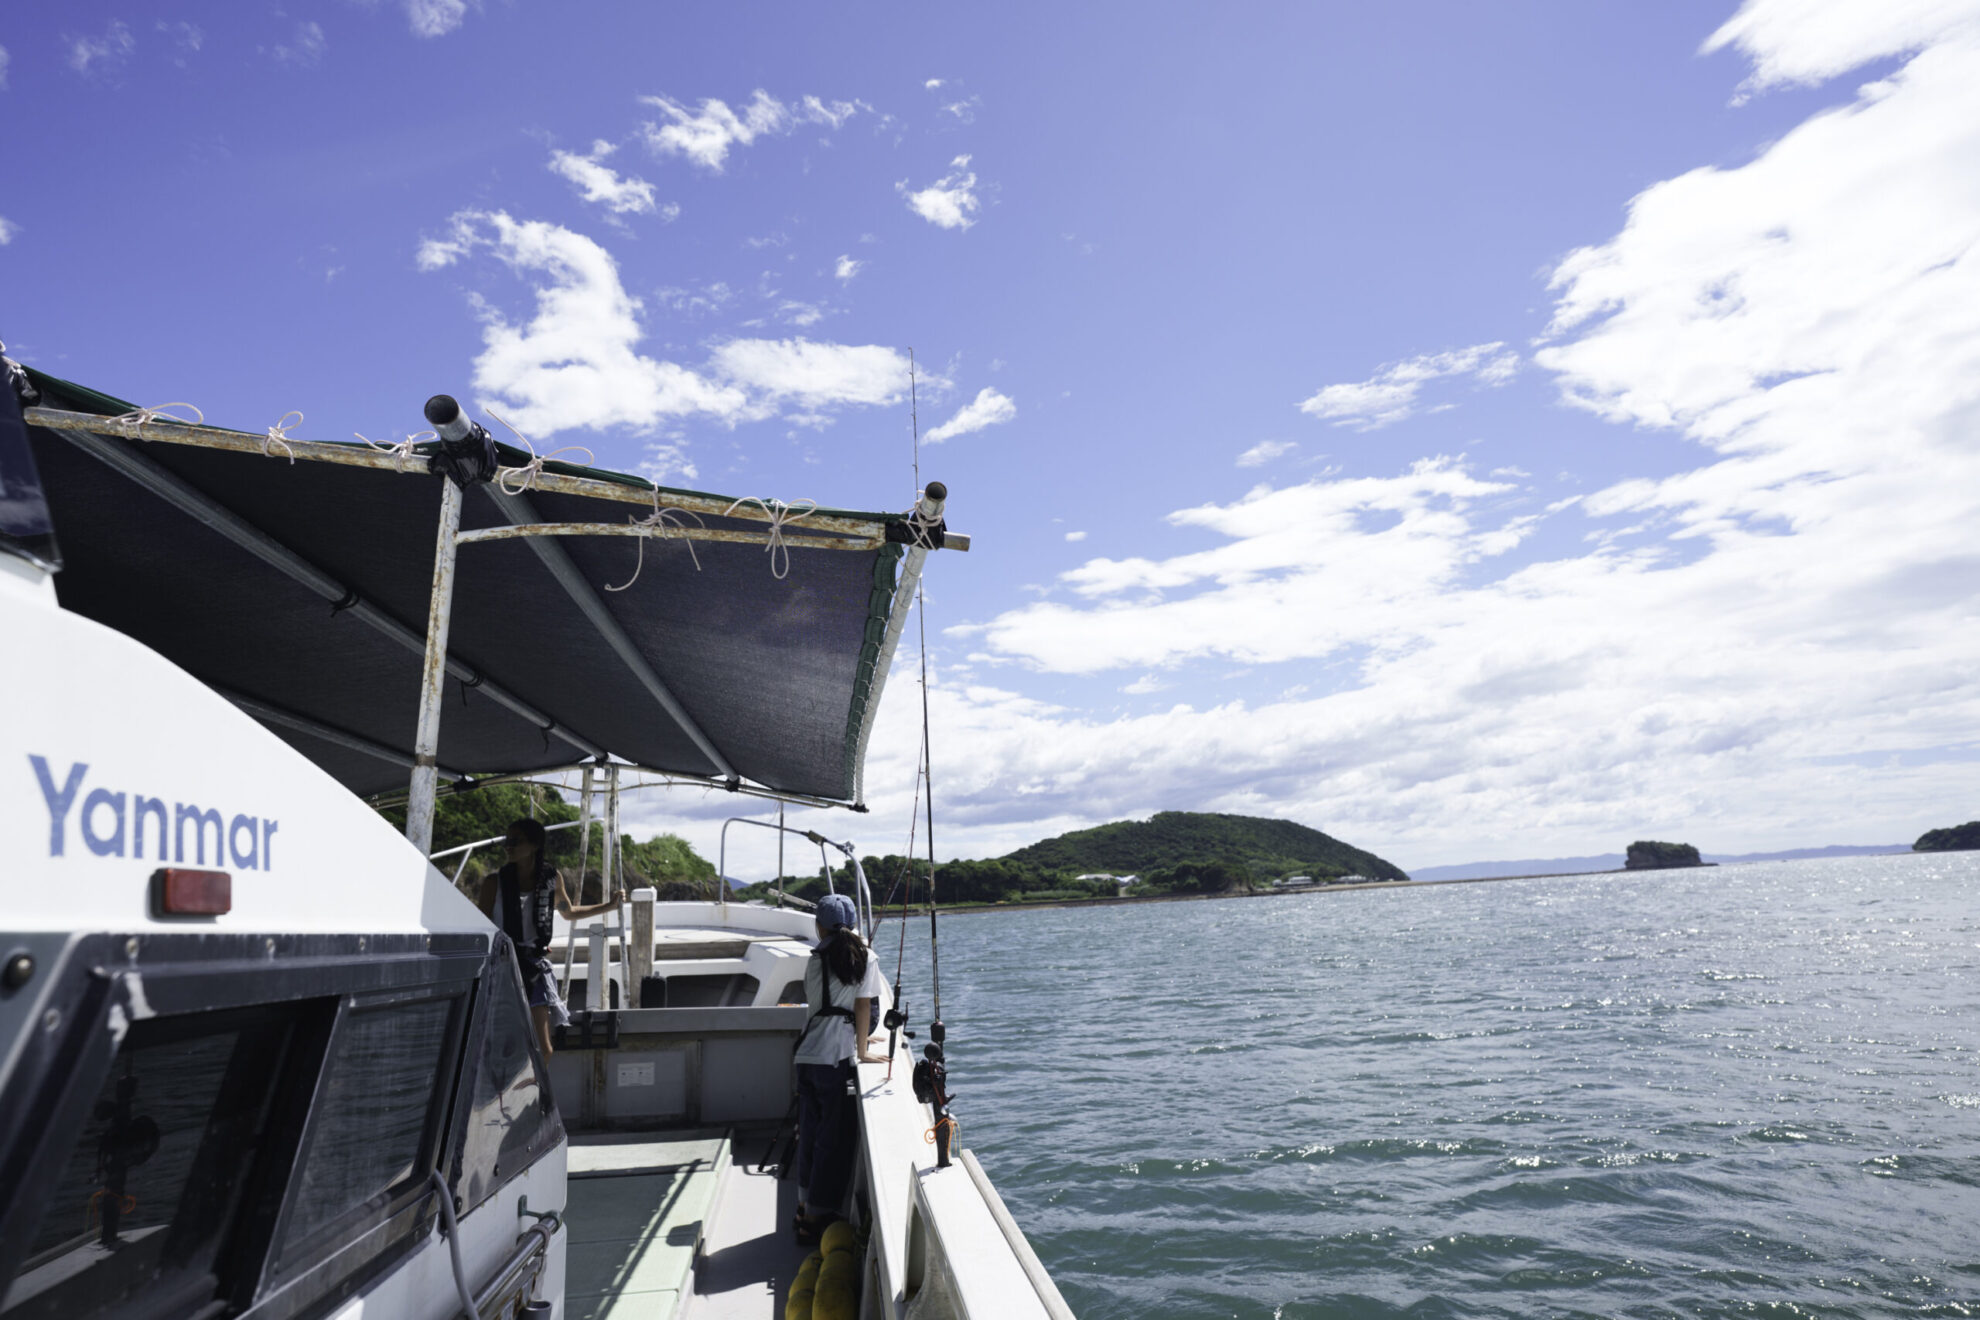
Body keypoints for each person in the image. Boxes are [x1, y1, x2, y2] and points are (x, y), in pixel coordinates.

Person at [476, 817, 623, 1059]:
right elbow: (480, 926)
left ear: (535, 845)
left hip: (534, 969)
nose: (508, 846)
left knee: (544, 1049)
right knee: (500, 1045)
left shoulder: (551, 880)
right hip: (502, 968)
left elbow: (568, 912)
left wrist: (609, 906)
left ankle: (536, 1096)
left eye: (516, 841)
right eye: (507, 841)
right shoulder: (494, 883)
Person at [791, 892, 888, 1241]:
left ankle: (803, 1205)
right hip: (834, 1059)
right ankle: (816, 1217)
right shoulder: (866, 957)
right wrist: (863, 1050)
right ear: (855, 924)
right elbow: (863, 1007)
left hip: (806, 1056)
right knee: (831, 1141)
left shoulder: (814, 958)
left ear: (819, 926)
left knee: (809, 1135)